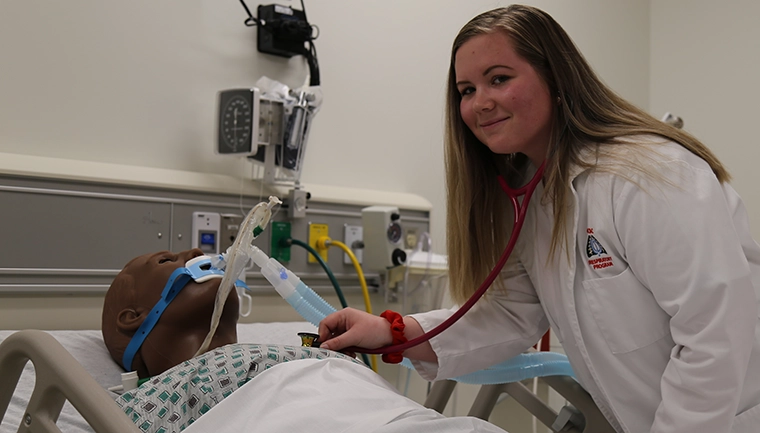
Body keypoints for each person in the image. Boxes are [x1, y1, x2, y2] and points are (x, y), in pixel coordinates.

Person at [318, 5, 760, 433]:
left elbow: (714, 331)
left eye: (499, 79)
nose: (480, 103)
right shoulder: (534, 193)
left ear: (556, 77)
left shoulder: (649, 174)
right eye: (467, 90)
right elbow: (513, 313)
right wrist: (393, 332)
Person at [102, 249, 508, 433]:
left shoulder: (305, 348)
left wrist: (388, 332)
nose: (195, 250)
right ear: (131, 318)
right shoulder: (137, 403)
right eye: (166, 260)